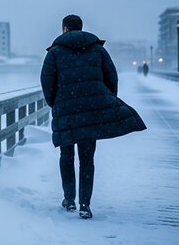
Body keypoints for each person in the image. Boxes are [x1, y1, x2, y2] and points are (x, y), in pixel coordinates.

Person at [40, 15, 146, 219]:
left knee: (66, 156)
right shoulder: (97, 49)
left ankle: (69, 200)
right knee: (87, 159)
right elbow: (112, 77)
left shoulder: (55, 52)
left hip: (67, 112)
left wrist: (56, 103)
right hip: (92, 110)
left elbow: (47, 82)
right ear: (81, 28)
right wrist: (103, 100)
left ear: (64, 29)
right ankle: (85, 205)